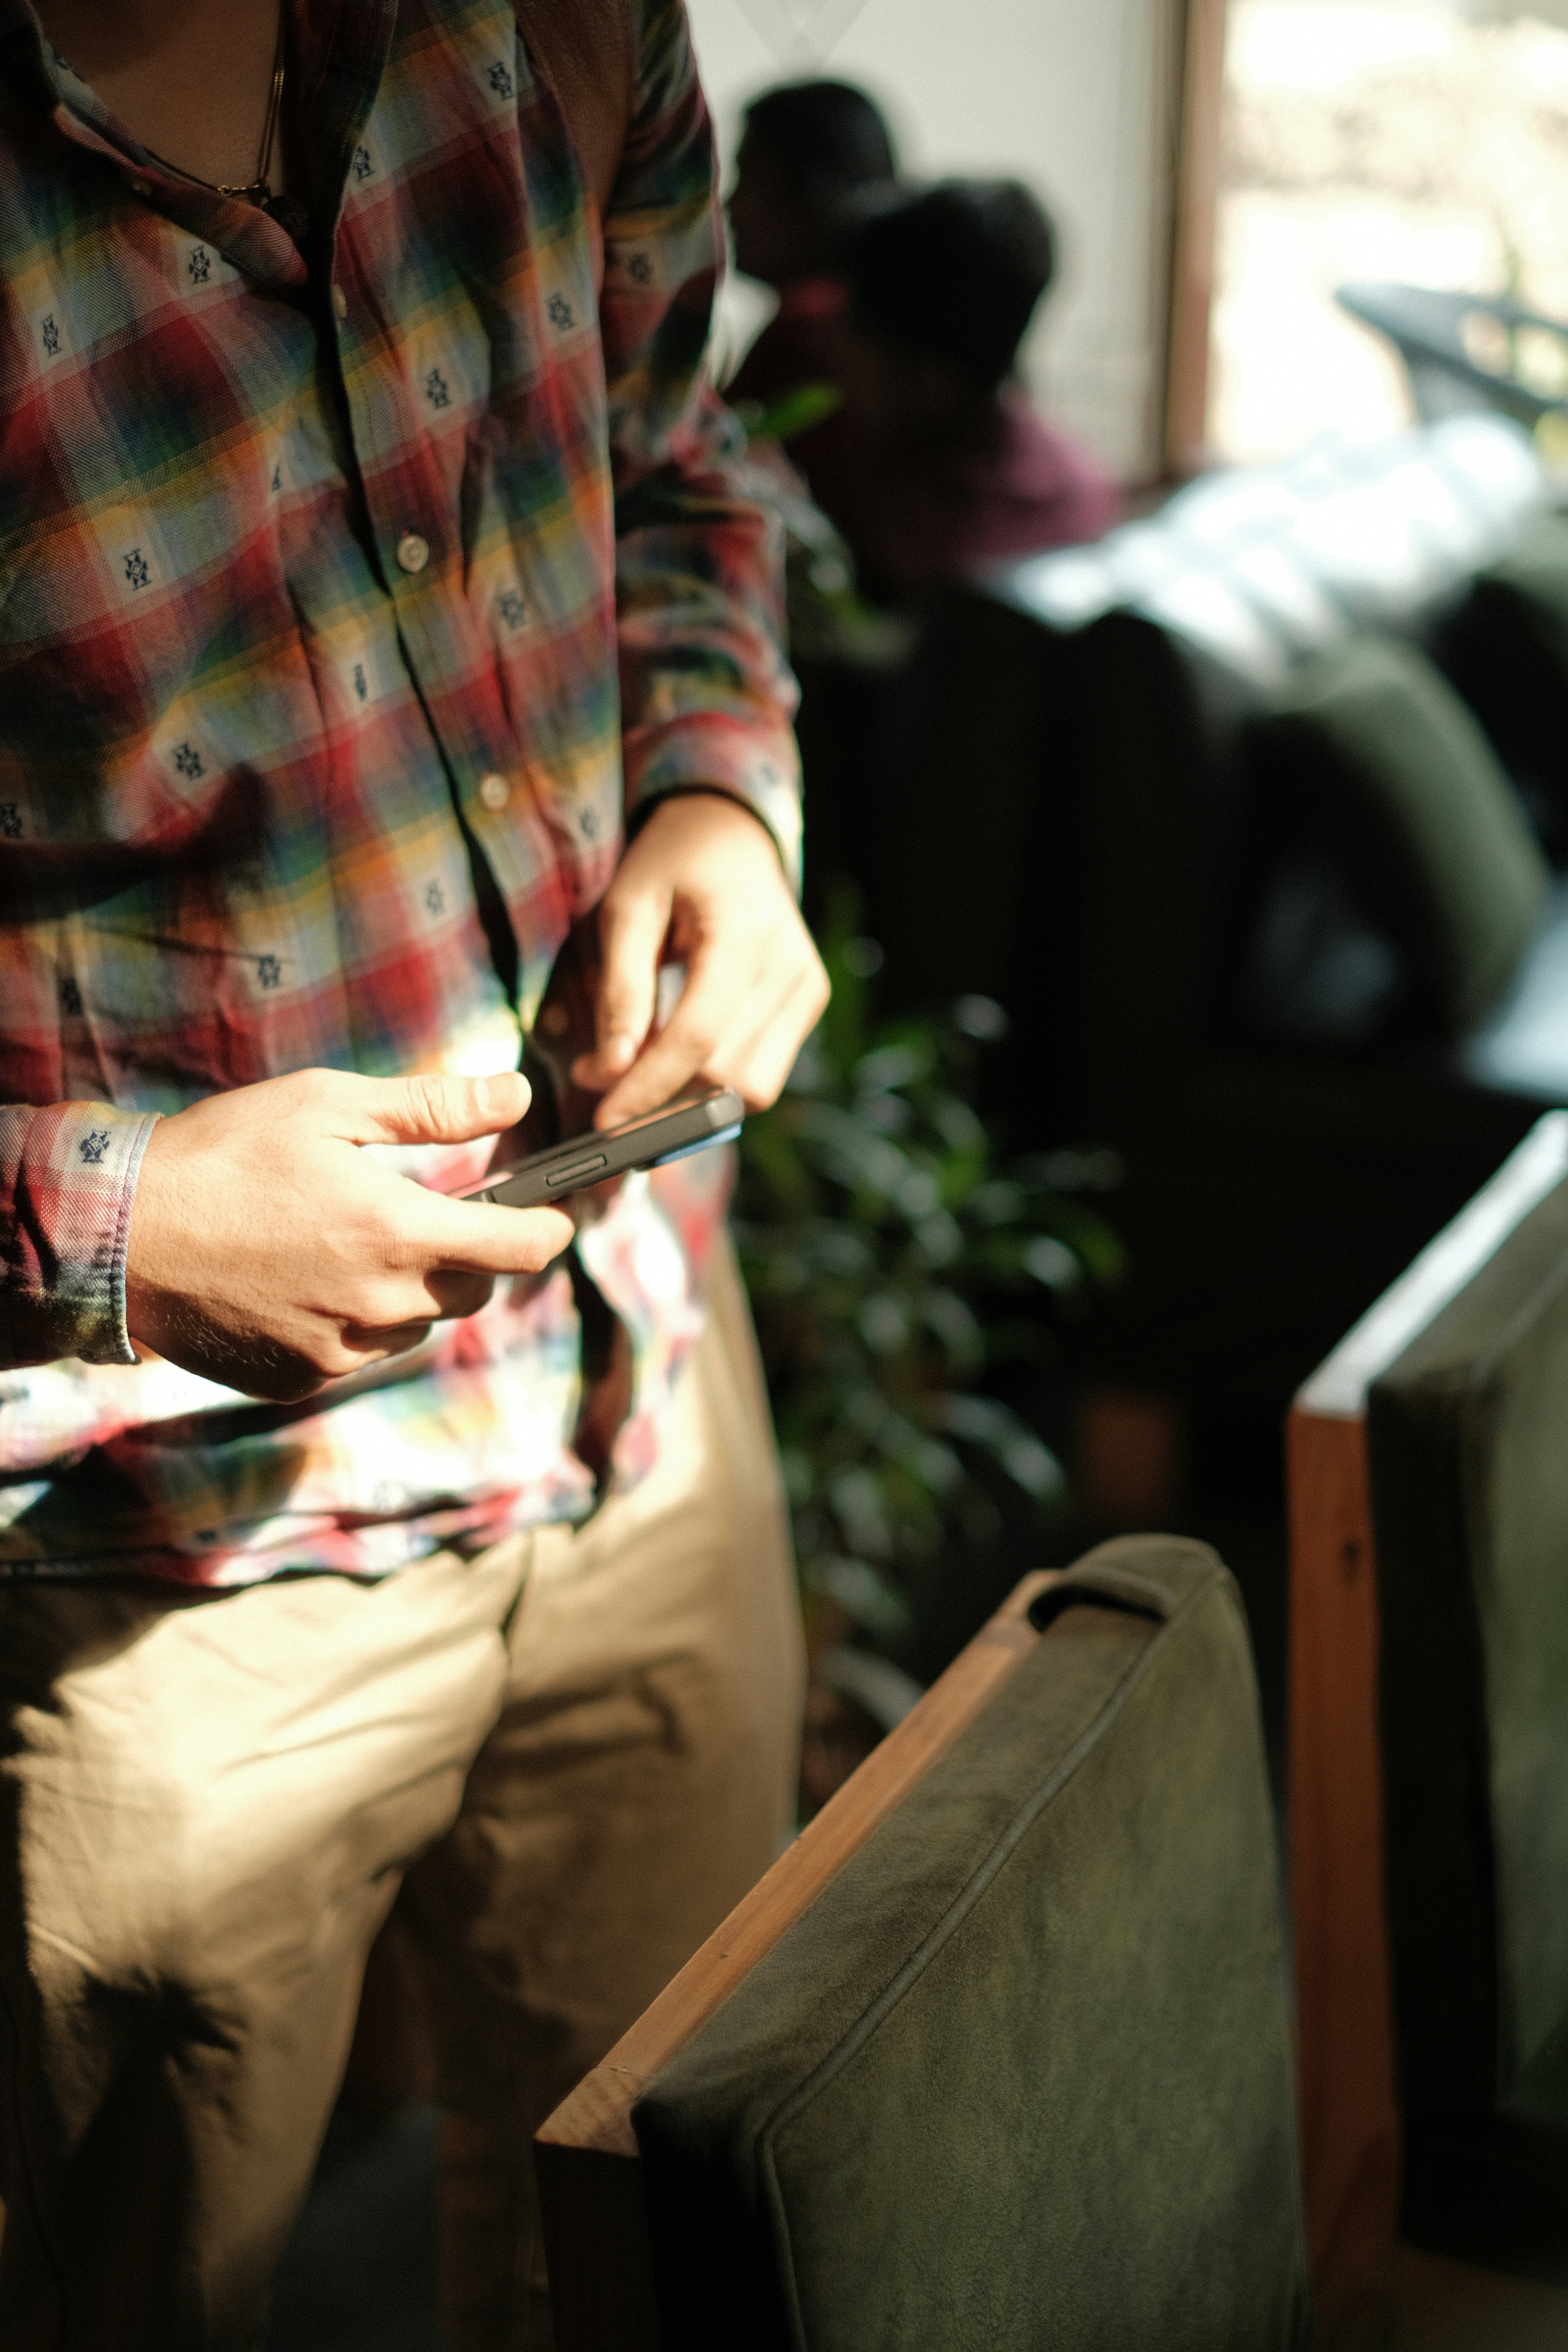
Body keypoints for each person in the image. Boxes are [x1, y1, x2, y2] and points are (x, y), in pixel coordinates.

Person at [0, 2, 826, 2347]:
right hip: (148, 1572)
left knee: (661, 2256)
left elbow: (683, 467)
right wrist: (118, 1223)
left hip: (647, 1394)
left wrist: (717, 797)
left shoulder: (557, 19)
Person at [788, 179, 1123, 602]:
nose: (831, 346)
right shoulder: (1083, 486)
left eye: (854, 327)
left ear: (933, 380)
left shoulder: (906, 540)